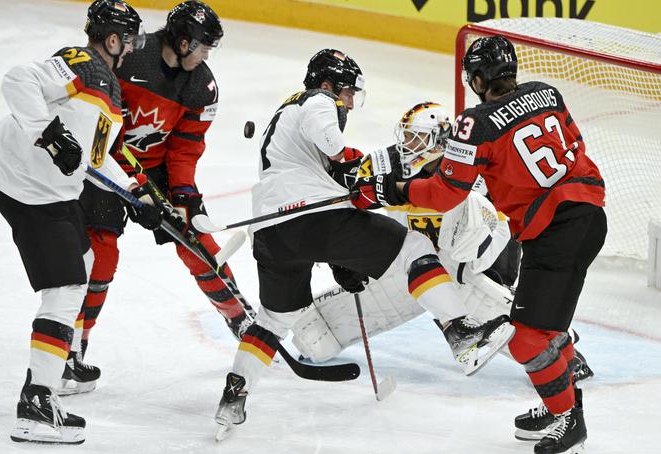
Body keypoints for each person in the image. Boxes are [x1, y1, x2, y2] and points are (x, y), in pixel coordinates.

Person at [212, 49, 515, 438]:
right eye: (348, 93)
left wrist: (342, 258)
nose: (351, 103)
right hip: (313, 217)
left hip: (272, 233)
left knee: (273, 320)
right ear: (327, 85)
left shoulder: (285, 122)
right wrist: (362, 164)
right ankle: (461, 332)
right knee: (415, 250)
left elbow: (331, 180)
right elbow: (337, 152)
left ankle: (233, 396)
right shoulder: (315, 101)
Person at [353, 37, 606, 454]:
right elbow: (573, 146)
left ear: (476, 78)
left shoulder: (476, 122)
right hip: (588, 214)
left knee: (525, 338)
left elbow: (445, 193)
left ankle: (568, 419)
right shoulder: (549, 92)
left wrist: (390, 189)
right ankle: (557, 399)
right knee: (548, 325)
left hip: (554, 228)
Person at [291, 101, 594, 388]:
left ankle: (557, 352)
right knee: (318, 334)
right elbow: (343, 198)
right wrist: (341, 258)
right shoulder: (386, 164)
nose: (407, 145)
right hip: (417, 267)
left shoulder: (471, 169)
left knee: (468, 270)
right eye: (407, 137)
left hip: (476, 261)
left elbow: (501, 226)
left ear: (437, 141)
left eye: (416, 138)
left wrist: (484, 270)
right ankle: (315, 332)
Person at [0, 0, 157, 444]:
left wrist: (135, 195)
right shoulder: (83, 63)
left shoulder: (108, 92)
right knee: (65, 291)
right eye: (129, 39)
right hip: (31, 192)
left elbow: (92, 159)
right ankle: (37, 403)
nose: (132, 49)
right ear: (113, 39)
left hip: (40, 190)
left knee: (81, 259)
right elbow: (18, 79)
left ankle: (56, 364)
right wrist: (48, 132)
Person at [64, 0, 254, 395]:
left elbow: (184, 150)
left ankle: (241, 318)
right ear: (183, 41)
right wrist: (132, 188)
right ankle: (72, 352)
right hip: (105, 164)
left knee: (197, 240)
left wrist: (183, 194)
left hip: (153, 172)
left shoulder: (202, 85)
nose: (205, 56)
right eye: (203, 46)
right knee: (102, 257)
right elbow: (101, 130)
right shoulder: (131, 58)